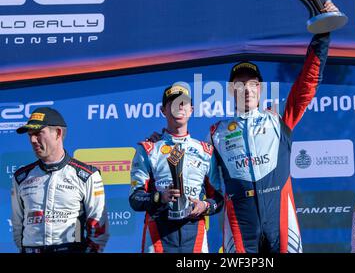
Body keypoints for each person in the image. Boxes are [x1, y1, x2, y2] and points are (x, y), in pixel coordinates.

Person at [207, 0, 339, 253]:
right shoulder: (217, 132)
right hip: (240, 223)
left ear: (260, 89)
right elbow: (206, 181)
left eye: (252, 84)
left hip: (280, 219)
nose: (246, 89)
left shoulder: (279, 118)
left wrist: (323, 32)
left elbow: (307, 83)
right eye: (239, 85)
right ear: (230, 91)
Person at [129, 84, 224, 253]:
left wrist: (204, 206)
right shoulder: (148, 149)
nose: (179, 107)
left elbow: (218, 199)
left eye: (183, 103)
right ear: (163, 110)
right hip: (158, 231)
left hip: (194, 232)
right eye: (173, 103)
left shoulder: (206, 151)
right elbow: (135, 199)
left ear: (191, 110)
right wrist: (160, 196)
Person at [11, 107, 109, 253]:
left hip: (70, 248)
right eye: (30, 135)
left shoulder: (87, 175)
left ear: (58, 133)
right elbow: (18, 225)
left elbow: (98, 228)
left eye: (38, 133)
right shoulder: (21, 177)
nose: (32, 140)